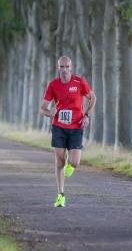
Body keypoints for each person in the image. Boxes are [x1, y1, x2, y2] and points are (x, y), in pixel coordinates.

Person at [40, 56, 96, 207]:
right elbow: (42, 107)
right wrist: (48, 112)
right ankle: (61, 195)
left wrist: (86, 115)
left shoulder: (79, 82)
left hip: (76, 126)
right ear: (58, 68)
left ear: (71, 68)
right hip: (59, 126)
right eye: (61, 67)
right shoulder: (53, 85)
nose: (64, 70)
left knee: (74, 162)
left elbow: (93, 98)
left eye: (67, 67)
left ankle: (70, 166)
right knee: (59, 161)